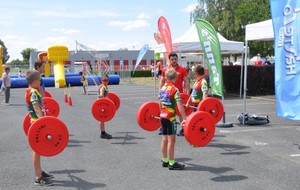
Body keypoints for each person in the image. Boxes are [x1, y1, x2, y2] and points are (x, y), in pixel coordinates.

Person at [25, 70, 54, 186]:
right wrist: (44, 122)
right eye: (40, 80)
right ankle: (38, 178)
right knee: (36, 151)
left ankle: (40, 172)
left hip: (35, 122)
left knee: (37, 151)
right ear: (34, 81)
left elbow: (41, 98)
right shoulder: (33, 93)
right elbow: (36, 108)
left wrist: (40, 88)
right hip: (37, 124)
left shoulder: (31, 91)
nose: (41, 82)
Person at [159, 68, 187, 170]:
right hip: (170, 118)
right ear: (175, 78)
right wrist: (184, 118)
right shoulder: (175, 90)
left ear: (165, 77)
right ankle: (171, 163)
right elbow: (179, 105)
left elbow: (160, 103)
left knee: (164, 139)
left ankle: (165, 160)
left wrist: (160, 114)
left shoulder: (162, 89)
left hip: (162, 116)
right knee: (172, 140)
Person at [159, 52, 190, 136]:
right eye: (172, 59)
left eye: (175, 59)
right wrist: (160, 92)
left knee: (180, 112)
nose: (174, 61)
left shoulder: (182, 69)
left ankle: (183, 129)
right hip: (167, 95)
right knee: (165, 110)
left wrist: (187, 92)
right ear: (169, 60)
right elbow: (161, 81)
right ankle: (163, 128)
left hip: (178, 94)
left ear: (177, 59)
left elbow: (186, 81)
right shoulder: (165, 69)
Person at [97, 74, 112, 139]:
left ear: (108, 81)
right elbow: (101, 96)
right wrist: (106, 101)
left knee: (102, 119)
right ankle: (102, 133)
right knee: (102, 119)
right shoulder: (103, 87)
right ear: (101, 80)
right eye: (104, 80)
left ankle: (103, 132)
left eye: (106, 80)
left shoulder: (105, 86)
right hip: (101, 105)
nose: (105, 81)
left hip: (103, 104)